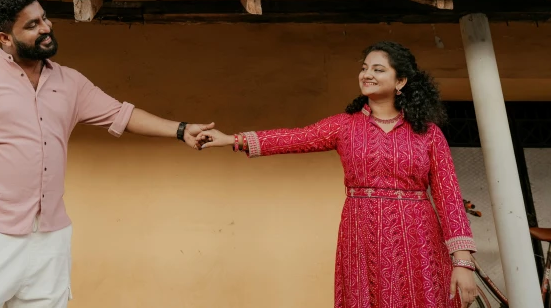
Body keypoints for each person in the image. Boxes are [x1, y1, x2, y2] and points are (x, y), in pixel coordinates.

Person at [0, 0, 214, 308]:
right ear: (5, 38)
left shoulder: (70, 82)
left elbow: (122, 114)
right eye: (31, 25)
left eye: (44, 18)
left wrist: (182, 130)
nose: (45, 28)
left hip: (51, 239)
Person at [198, 41, 480, 308]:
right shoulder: (345, 126)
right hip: (361, 235)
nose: (367, 74)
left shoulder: (428, 134)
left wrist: (463, 261)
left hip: (418, 240)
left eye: (378, 69)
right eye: (364, 68)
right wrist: (231, 140)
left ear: (401, 82)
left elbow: (449, 197)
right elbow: (294, 138)